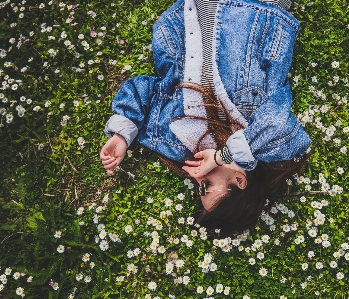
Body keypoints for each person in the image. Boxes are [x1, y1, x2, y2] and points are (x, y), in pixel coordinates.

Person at [100, 0, 312, 236]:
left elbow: (145, 90)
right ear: (241, 181)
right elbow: (280, 126)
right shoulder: (268, 144)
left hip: (190, 13)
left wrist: (122, 135)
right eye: (207, 187)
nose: (198, 178)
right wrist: (222, 157)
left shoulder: (178, 140)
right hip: (256, 9)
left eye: (198, 188)